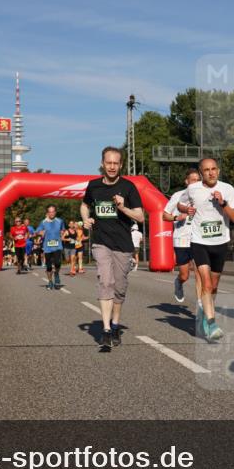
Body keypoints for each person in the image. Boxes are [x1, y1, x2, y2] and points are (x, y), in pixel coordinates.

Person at [82, 147, 144, 352]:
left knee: (119, 288)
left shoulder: (128, 187)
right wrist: (86, 219)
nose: (111, 166)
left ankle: (115, 324)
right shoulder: (94, 186)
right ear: (102, 163)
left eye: (115, 163)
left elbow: (141, 217)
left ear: (120, 165)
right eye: (108, 162)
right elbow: (84, 205)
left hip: (123, 244)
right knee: (106, 281)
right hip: (101, 241)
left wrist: (123, 208)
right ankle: (106, 330)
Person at [179, 157, 234, 341]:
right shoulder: (193, 189)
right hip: (199, 242)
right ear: (201, 173)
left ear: (218, 170)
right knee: (206, 284)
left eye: (214, 169)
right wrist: (186, 209)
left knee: (214, 286)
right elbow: (180, 203)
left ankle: (204, 315)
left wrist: (224, 204)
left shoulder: (227, 189)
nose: (211, 172)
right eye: (206, 170)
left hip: (220, 242)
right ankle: (212, 322)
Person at [162, 168, 202, 303]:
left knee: (200, 273)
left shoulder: (204, 196)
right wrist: (176, 217)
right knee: (185, 275)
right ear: (186, 181)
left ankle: (202, 306)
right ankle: (179, 282)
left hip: (198, 238)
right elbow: (164, 215)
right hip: (181, 239)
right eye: (193, 180)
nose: (196, 183)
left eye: (198, 180)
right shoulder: (178, 196)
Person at [37, 204, 66, 289]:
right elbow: (37, 231)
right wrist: (40, 233)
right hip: (47, 247)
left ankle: (56, 274)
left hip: (57, 246)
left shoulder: (60, 221)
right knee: (49, 266)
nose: (52, 213)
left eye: (53, 211)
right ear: (47, 213)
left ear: (55, 212)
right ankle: (50, 281)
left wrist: (62, 233)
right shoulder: (43, 222)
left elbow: (63, 229)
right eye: (50, 212)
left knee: (57, 263)